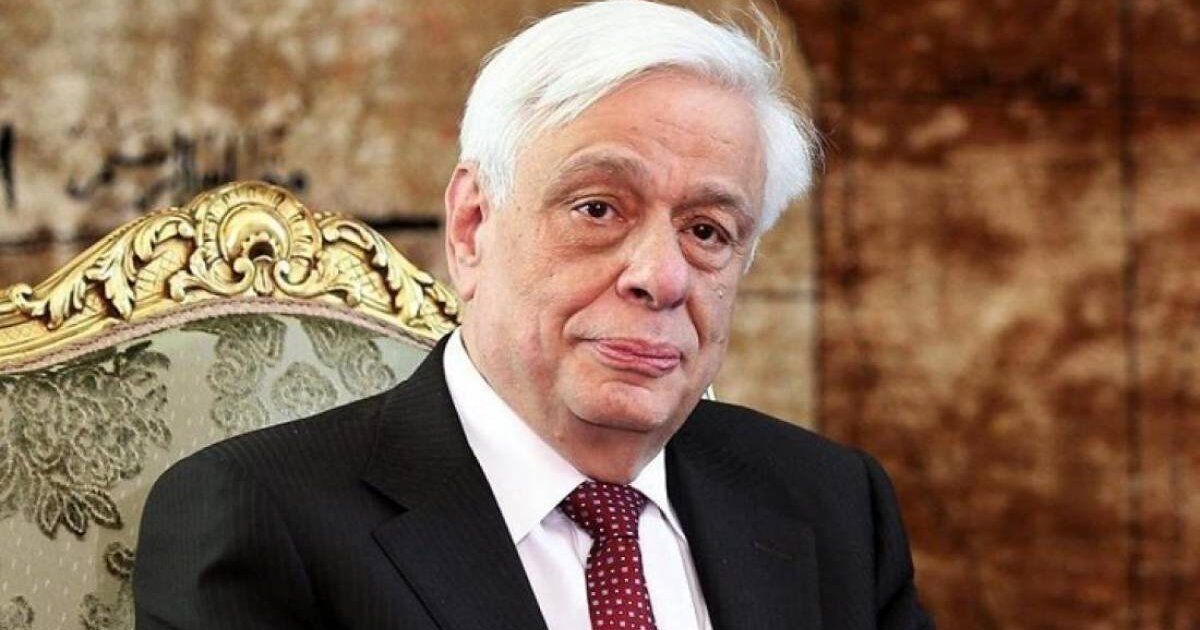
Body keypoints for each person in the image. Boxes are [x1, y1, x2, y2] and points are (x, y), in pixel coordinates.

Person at [133, 1, 933, 628]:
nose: (661, 278)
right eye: (598, 209)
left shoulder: (832, 502)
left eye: (706, 232)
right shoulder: (260, 519)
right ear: (472, 225)